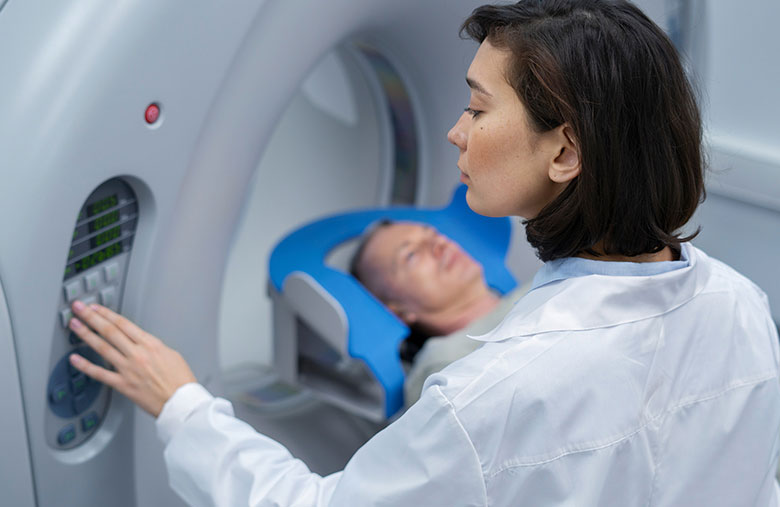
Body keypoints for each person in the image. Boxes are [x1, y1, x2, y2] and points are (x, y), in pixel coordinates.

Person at [67, 1, 780, 505]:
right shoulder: (743, 306)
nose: (455, 132)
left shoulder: (492, 396)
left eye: (477, 108)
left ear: (565, 152)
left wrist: (183, 405)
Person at [349, 219, 529, 407]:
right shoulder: (443, 367)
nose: (440, 244)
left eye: (434, 235)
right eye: (411, 255)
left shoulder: (538, 285)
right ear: (399, 311)